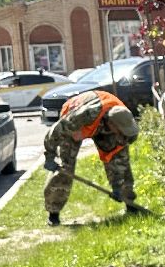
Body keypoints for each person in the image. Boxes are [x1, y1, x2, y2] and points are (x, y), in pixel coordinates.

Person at [42, 89, 140, 224]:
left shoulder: (124, 116)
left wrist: (118, 185)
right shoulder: (81, 117)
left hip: (103, 121)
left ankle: (129, 203)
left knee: (119, 157)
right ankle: (53, 213)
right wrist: (50, 155)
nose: (123, 135)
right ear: (112, 124)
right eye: (121, 132)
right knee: (65, 168)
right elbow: (54, 132)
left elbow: (119, 153)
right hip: (77, 121)